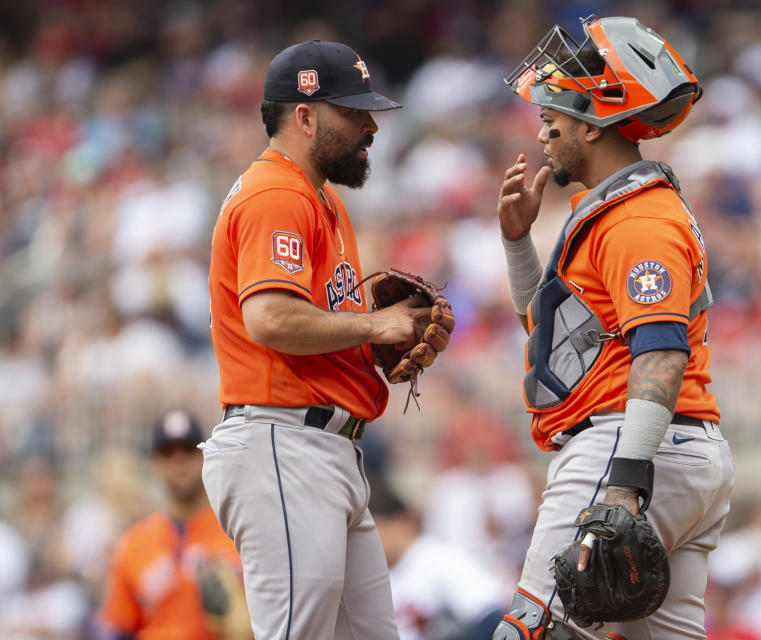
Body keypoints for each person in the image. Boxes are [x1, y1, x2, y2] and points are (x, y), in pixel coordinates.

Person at [493, 16, 736, 640]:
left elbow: (661, 354)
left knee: (533, 630)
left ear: (594, 120)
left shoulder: (638, 222)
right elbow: (556, 336)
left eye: (553, 121)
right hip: (679, 450)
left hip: (630, 446)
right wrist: (518, 243)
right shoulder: (618, 210)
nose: (544, 134)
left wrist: (627, 480)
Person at [201, 40, 431, 639]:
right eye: (354, 112)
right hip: (283, 443)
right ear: (304, 116)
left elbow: (317, 325)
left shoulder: (320, 198)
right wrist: (377, 325)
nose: (371, 126)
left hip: (324, 450)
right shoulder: (277, 192)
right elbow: (271, 319)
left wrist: (379, 352)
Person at [100, 410, 251, 639]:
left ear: (205, 456)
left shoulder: (237, 533)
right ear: (155, 462)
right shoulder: (134, 542)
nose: (179, 461)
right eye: (168, 453)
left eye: (189, 451)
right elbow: (121, 628)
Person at [368, 480, 509, 640]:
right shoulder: (370, 576)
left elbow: (491, 615)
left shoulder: (437, 557)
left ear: (400, 520)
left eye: (373, 530)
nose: (366, 543)